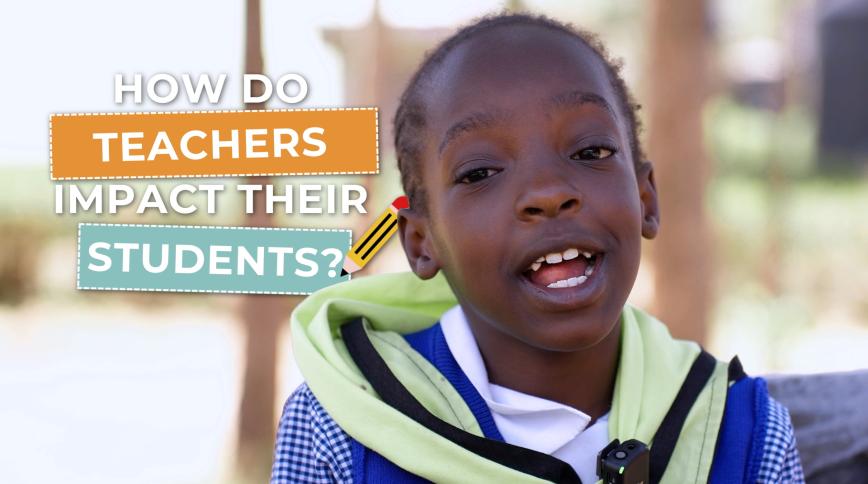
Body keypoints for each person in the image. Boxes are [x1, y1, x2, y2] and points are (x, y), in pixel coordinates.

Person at [271, 13, 804, 483]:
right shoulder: (341, 425)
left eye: (590, 150)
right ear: (421, 241)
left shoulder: (740, 433)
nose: (548, 193)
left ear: (645, 199)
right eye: (480, 172)